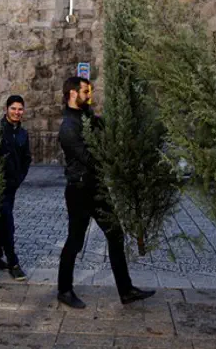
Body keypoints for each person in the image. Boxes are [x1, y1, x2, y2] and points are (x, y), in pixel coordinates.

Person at [57, 76, 155, 309]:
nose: (89, 96)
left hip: (97, 187)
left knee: (116, 235)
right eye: (85, 92)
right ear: (72, 94)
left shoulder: (87, 117)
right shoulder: (68, 128)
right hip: (79, 190)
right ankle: (64, 289)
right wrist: (113, 157)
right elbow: (90, 158)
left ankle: (126, 290)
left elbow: (107, 128)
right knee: (75, 241)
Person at [0, 95, 32, 281]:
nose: (17, 112)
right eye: (13, 108)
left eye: (20, 109)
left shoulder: (23, 134)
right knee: (7, 221)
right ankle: (13, 262)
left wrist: (19, 178)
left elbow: (26, 159)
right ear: (6, 109)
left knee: (1, 220)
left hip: (12, 185)